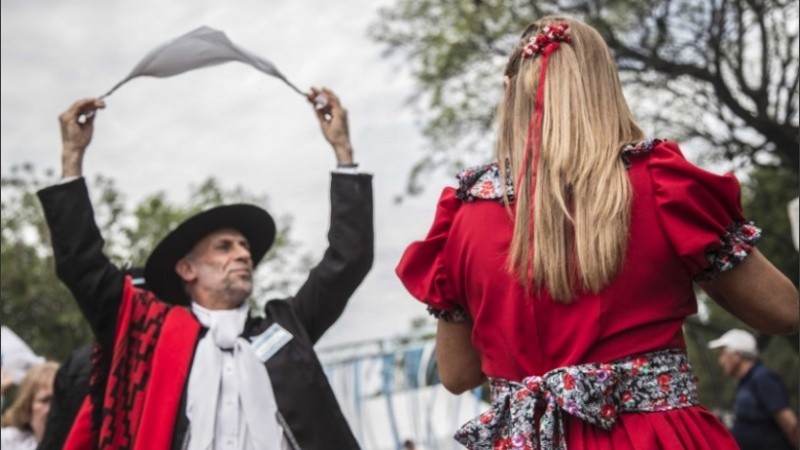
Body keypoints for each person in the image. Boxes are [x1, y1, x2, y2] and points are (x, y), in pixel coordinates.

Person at [396, 15, 800, 450]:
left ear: (509, 93)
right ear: (604, 87)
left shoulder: (463, 215)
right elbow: (782, 311)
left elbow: (457, 374)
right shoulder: (661, 185)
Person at [38, 87, 373, 449]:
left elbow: (347, 260)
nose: (242, 254)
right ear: (187, 269)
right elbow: (83, 267)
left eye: (245, 247)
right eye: (224, 247)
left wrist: (344, 154)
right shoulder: (152, 337)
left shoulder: (286, 327)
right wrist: (72, 158)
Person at [709, 329, 799, 450]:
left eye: (723, 354)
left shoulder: (762, 378)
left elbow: (790, 424)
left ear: (737, 355)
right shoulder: (745, 383)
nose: (721, 361)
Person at [1, 362, 59, 450]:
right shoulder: (10, 442)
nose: (53, 408)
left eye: (58, 400)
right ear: (27, 407)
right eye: (45, 400)